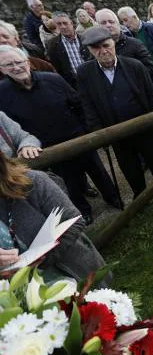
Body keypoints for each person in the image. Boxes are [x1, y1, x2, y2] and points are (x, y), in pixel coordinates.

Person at [0, 44, 122, 223]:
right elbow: (10, 129)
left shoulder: (53, 79)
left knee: (98, 170)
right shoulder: (2, 94)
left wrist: (87, 131)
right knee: (69, 183)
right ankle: (82, 211)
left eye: (19, 62)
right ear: (2, 69)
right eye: (9, 65)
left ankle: (113, 197)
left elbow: (78, 104)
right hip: (48, 149)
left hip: (77, 138)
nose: (16, 67)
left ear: (28, 62)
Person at [76, 27, 153, 201]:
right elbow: (87, 104)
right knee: (130, 168)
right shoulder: (84, 73)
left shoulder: (135, 66)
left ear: (114, 43)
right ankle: (141, 199)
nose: (103, 51)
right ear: (89, 50)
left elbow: (152, 96)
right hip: (116, 135)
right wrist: (99, 133)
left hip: (146, 130)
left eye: (106, 45)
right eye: (96, 48)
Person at [0, 152, 107, 282]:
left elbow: (74, 220)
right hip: (19, 295)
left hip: (77, 274)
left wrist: (43, 259)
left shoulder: (31, 181)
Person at [95, 9, 153, 77]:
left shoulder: (135, 44)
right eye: (103, 23)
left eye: (111, 21)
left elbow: (151, 69)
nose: (108, 25)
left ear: (118, 24)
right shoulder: (95, 50)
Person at [47, 12, 89, 88]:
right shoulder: (52, 45)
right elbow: (57, 68)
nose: (63, 26)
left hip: (90, 78)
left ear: (71, 23)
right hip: (73, 84)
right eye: (59, 24)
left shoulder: (85, 39)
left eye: (65, 23)